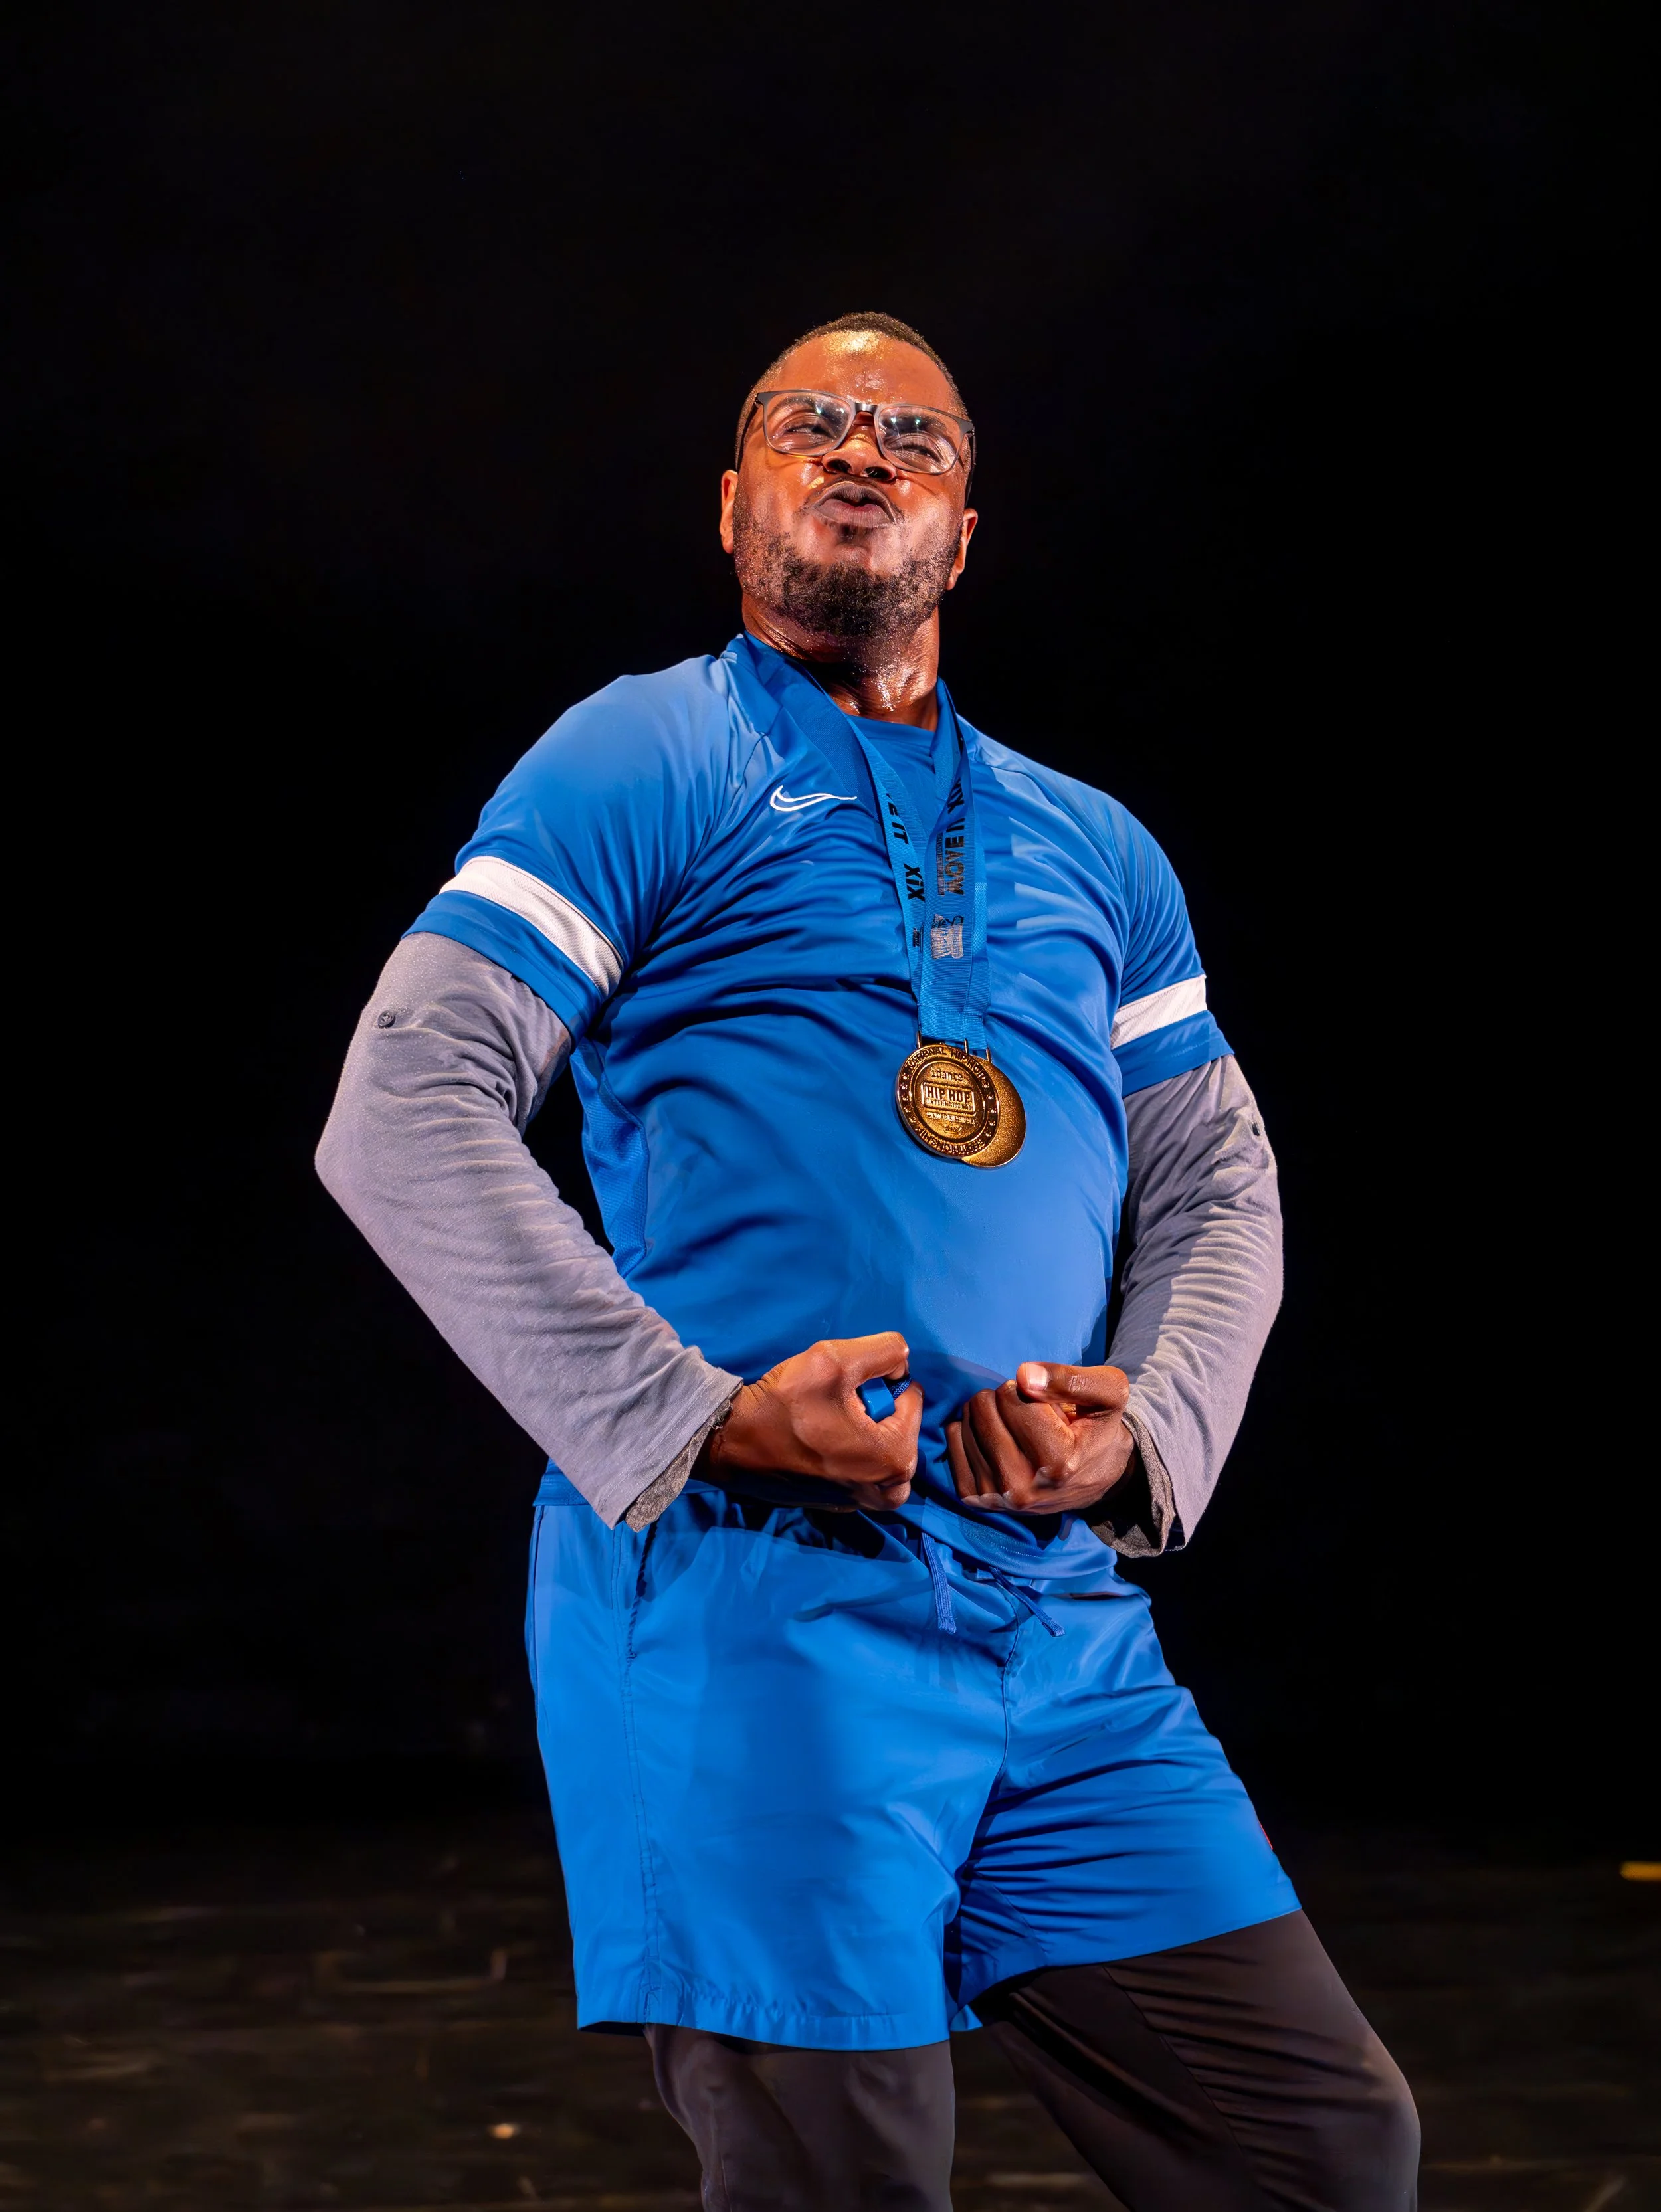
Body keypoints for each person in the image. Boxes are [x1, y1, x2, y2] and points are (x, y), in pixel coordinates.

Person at [318, 310, 1419, 2210]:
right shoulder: (646, 753)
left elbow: (1216, 1177)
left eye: (910, 437)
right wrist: (695, 1413)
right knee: (850, 2182)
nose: (859, 449)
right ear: (731, 502)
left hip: (1055, 1626)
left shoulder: (1096, 846)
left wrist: (1148, 1429)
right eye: (808, 424)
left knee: (1320, 2147)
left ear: (962, 531)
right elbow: (402, 1101)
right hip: (758, 1618)